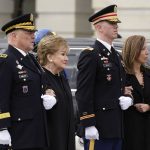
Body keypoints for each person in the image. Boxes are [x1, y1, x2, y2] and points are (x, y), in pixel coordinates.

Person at [75, 4, 133, 150]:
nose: (116, 27)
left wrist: (129, 98)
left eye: (116, 23)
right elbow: (83, 92)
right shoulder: (91, 54)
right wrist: (88, 123)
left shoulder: (116, 56)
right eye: (111, 23)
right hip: (99, 127)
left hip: (116, 126)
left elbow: (121, 86)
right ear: (99, 28)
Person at [0, 13, 50, 150]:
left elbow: (40, 85)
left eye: (33, 31)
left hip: (37, 131)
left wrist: (49, 94)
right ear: (14, 36)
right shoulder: (6, 60)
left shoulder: (31, 59)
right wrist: (2, 127)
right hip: (19, 133)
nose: (33, 35)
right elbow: (1, 97)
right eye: (28, 32)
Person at [37, 35, 75, 150]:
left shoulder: (61, 78)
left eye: (66, 54)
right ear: (50, 57)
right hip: (51, 141)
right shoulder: (40, 77)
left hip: (66, 139)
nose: (67, 58)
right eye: (63, 54)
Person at [122, 35, 150, 150]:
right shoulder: (121, 75)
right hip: (129, 131)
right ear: (134, 51)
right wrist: (133, 105)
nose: (147, 52)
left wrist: (148, 106)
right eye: (143, 49)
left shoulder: (148, 73)